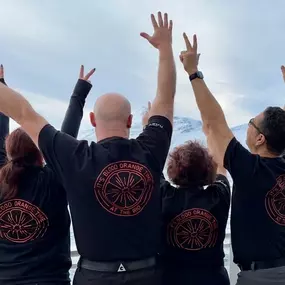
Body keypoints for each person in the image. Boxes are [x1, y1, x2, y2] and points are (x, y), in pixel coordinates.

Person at [0, 11, 176, 285]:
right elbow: (165, 100)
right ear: (131, 121)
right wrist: (165, 49)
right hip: (149, 275)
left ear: (92, 120)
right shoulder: (150, 149)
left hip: (94, 277)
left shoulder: (72, 156)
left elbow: (24, 113)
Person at [179, 30, 285, 285]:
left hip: (261, 277)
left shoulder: (250, 170)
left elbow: (215, 122)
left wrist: (194, 73)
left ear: (260, 139)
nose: (246, 126)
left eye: (251, 123)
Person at [0, 65, 95, 285]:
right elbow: (65, 137)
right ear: (42, 154)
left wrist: (2, 88)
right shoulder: (54, 180)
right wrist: (79, 93)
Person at [142, 103, 230, 285]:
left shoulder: (164, 195)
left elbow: (151, 161)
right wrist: (211, 133)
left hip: (171, 279)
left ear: (173, 169)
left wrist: (148, 127)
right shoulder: (219, 195)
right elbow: (222, 165)